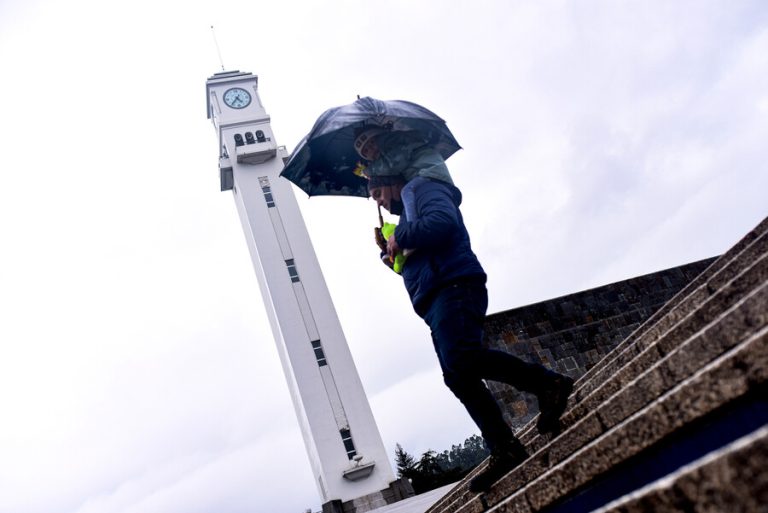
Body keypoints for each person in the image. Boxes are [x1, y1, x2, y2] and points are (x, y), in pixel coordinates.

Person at [358, 130, 574, 493]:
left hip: (455, 285)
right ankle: (504, 447)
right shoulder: (406, 210)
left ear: (392, 180)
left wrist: (403, 236)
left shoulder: (420, 189)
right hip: (435, 295)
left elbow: (444, 224)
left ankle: (549, 384)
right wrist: (390, 254)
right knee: (457, 375)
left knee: (462, 357)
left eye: (377, 191)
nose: (377, 200)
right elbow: (417, 259)